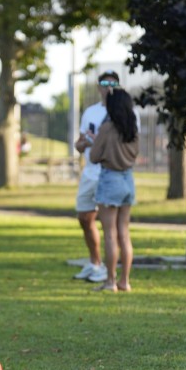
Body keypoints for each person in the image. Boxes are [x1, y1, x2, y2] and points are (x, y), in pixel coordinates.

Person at [72, 70, 121, 283]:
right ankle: (95, 263)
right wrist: (86, 142)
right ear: (99, 87)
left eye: (113, 84)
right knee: (85, 218)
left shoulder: (124, 111)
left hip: (110, 173)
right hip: (90, 173)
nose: (109, 88)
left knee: (110, 224)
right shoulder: (90, 112)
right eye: (105, 84)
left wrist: (101, 140)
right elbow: (79, 144)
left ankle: (111, 272)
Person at [88, 88, 139, 292]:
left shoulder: (107, 128)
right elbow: (134, 154)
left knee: (110, 234)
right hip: (128, 180)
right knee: (124, 233)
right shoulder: (132, 129)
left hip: (110, 179)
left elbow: (93, 156)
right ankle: (125, 281)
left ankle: (110, 281)